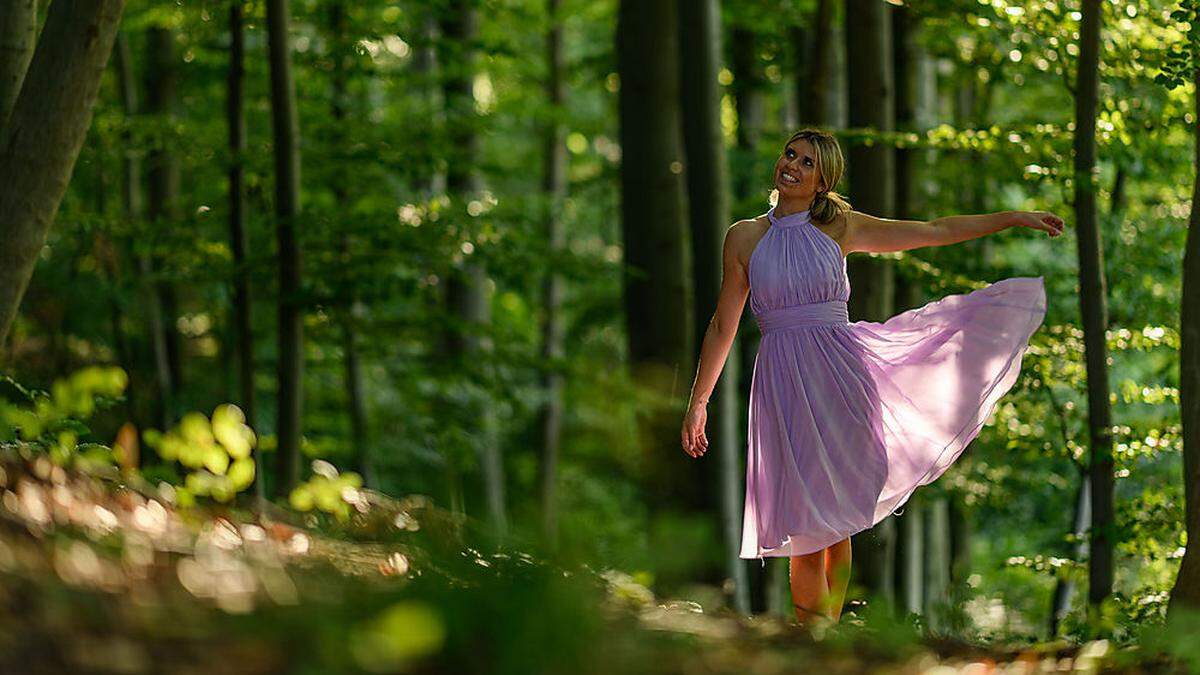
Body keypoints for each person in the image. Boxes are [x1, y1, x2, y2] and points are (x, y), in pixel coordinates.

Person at [679, 128, 1062, 627]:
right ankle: (811, 639)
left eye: (808, 162)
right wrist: (698, 400)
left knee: (835, 525)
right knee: (804, 529)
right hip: (784, 388)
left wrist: (1012, 218)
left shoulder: (839, 226)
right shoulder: (745, 237)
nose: (791, 164)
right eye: (790, 154)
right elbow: (722, 323)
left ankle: (826, 635)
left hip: (842, 380)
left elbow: (934, 230)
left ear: (823, 182)